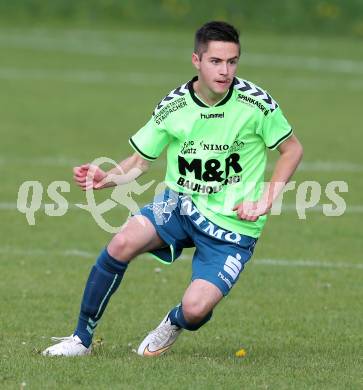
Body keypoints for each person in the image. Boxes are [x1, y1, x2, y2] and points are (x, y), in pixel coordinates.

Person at [42, 21, 303, 357]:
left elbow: (292, 149)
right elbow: (140, 161)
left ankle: (174, 321)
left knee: (196, 309)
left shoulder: (256, 104)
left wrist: (266, 199)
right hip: (178, 205)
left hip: (233, 224)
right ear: (196, 60)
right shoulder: (175, 105)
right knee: (121, 241)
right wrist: (106, 179)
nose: (225, 71)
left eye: (232, 61)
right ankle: (80, 340)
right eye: (215, 61)